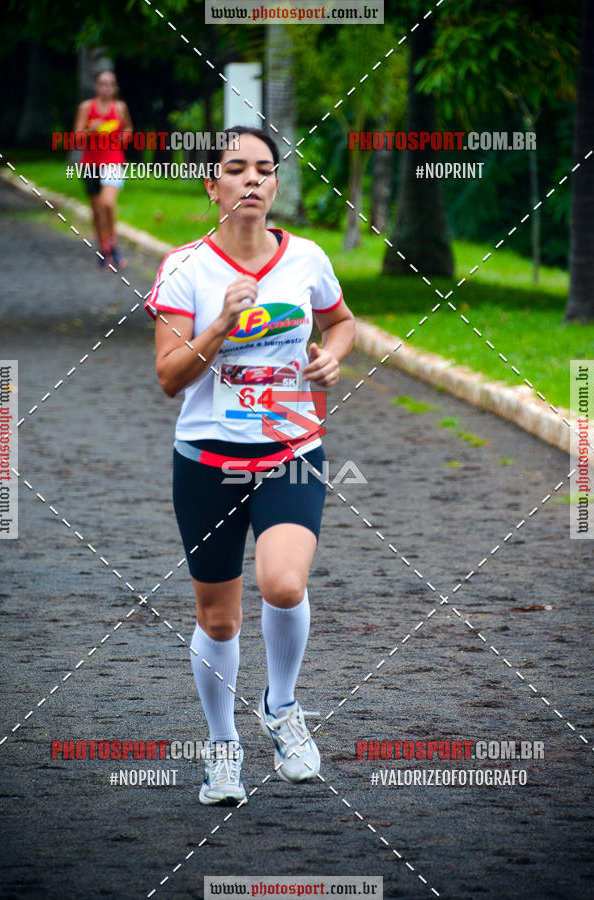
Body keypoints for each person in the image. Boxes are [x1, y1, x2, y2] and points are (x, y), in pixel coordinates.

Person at [145, 125, 355, 805]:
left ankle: (281, 707)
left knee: (285, 584)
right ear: (213, 187)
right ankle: (222, 746)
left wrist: (334, 355)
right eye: (237, 169)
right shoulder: (185, 268)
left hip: (292, 450)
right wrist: (221, 325)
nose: (254, 180)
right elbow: (170, 376)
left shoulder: (308, 258)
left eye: (265, 169)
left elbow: (342, 320)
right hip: (206, 460)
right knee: (220, 621)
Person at [73, 69, 133, 268]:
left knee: (107, 203)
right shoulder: (86, 107)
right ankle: (103, 248)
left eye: (110, 84)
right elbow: (77, 137)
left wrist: (122, 138)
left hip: (113, 161)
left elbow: (128, 129)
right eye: (102, 84)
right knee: (97, 210)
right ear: (96, 86)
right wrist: (92, 130)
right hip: (90, 163)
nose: (106, 88)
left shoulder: (120, 107)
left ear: (115, 88)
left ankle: (113, 244)